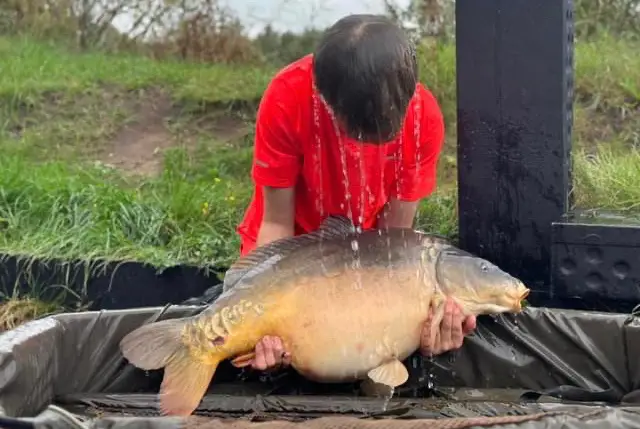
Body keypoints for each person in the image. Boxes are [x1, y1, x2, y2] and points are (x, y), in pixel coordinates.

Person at [235, 14, 476, 372]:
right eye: (355, 131)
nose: (366, 145)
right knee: (259, 345)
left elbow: (394, 245)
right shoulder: (288, 96)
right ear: (325, 97)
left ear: (410, 94)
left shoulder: (424, 117)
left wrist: (413, 327)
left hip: (366, 258)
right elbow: (275, 222)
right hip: (288, 252)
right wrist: (254, 310)